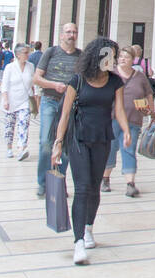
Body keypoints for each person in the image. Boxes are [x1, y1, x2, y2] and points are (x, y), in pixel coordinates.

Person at [52, 37, 130, 265]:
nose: (114, 60)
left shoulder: (115, 82)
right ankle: (78, 242)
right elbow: (65, 114)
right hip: (78, 139)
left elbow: (120, 109)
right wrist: (58, 143)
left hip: (102, 138)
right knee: (83, 187)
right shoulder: (77, 81)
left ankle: (88, 228)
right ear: (99, 57)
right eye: (111, 55)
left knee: (94, 186)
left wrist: (125, 130)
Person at [32, 22, 81, 198]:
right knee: (46, 142)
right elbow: (36, 78)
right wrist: (54, 85)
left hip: (71, 105)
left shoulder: (80, 56)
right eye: (68, 32)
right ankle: (43, 183)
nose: (71, 35)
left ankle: (59, 181)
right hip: (50, 101)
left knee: (66, 144)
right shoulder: (50, 52)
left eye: (74, 32)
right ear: (61, 35)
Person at [102, 46, 155, 196]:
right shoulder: (111, 73)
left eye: (126, 57)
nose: (123, 59)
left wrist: (151, 112)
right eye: (121, 57)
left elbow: (149, 95)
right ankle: (105, 178)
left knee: (129, 149)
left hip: (133, 119)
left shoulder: (140, 76)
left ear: (133, 60)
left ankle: (130, 183)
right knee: (110, 148)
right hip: (112, 118)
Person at [1, 42, 34, 160]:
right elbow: (4, 85)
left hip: (25, 100)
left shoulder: (31, 66)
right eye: (25, 53)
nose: (28, 55)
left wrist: (35, 99)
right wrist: (5, 100)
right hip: (11, 100)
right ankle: (9, 147)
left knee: (24, 123)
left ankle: (22, 148)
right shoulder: (10, 67)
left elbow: (32, 84)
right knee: (10, 126)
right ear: (18, 54)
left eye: (28, 52)